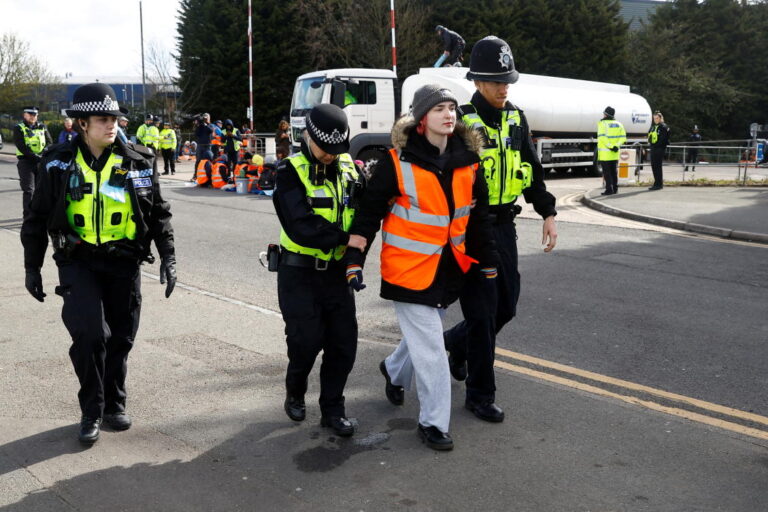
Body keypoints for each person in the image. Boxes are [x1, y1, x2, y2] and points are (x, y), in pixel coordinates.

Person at [20, 83, 176, 445]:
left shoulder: (138, 159)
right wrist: (32, 267)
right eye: (103, 119)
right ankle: (91, 409)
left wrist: (168, 256)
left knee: (121, 337)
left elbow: (158, 214)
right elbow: (36, 216)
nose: (112, 125)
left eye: (115, 118)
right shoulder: (57, 161)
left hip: (124, 262)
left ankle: (114, 405)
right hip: (79, 261)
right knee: (90, 337)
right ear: (82, 123)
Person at [347, 85, 498, 451]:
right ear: (421, 119)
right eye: (439, 109)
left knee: (423, 336)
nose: (449, 115)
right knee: (431, 348)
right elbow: (368, 215)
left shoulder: (469, 161)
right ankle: (433, 422)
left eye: (452, 109)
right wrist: (354, 260)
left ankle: (394, 369)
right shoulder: (395, 162)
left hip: (448, 270)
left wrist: (489, 260)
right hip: (407, 270)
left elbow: (478, 217)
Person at [442, 36, 558, 424]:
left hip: (505, 225)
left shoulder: (516, 118)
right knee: (483, 310)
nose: (503, 87)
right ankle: (480, 394)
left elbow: (531, 169)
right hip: (472, 228)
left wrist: (548, 211)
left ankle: (454, 345)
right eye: (495, 81)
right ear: (476, 82)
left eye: (507, 80)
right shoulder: (460, 121)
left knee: (505, 307)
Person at [272, 104, 365, 438]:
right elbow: (300, 225)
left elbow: (365, 217)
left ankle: (333, 409)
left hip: (338, 273)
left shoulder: (351, 169)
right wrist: (344, 237)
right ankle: (295, 390)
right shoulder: (288, 172)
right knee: (305, 342)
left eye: (339, 149)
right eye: (326, 149)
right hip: (299, 273)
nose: (332, 155)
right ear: (309, 137)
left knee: (343, 345)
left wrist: (355, 257)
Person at [14, 106, 52, 219]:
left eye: (35, 115)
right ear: (24, 115)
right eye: (30, 114)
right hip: (26, 162)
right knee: (29, 190)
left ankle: (39, 214)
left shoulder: (42, 127)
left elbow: (49, 142)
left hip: (41, 161)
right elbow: (21, 145)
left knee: (41, 189)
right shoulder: (19, 128)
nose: (33, 117)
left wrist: (43, 154)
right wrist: (35, 156)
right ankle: (28, 216)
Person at [596, 106, 627, 195]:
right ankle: (615, 189)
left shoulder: (602, 124)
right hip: (614, 153)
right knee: (614, 172)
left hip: (605, 154)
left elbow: (602, 137)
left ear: (606, 114)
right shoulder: (619, 124)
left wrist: (610, 146)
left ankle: (609, 189)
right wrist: (616, 146)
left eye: (604, 113)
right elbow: (623, 137)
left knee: (607, 173)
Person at [647, 111, 670, 190]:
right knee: (654, 166)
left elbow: (664, 139)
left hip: (659, 149)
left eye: (657, 118)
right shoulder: (654, 127)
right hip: (653, 148)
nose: (655, 120)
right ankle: (656, 183)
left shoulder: (664, 127)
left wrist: (656, 146)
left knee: (657, 166)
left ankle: (659, 184)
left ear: (660, 118)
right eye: (654, 118)